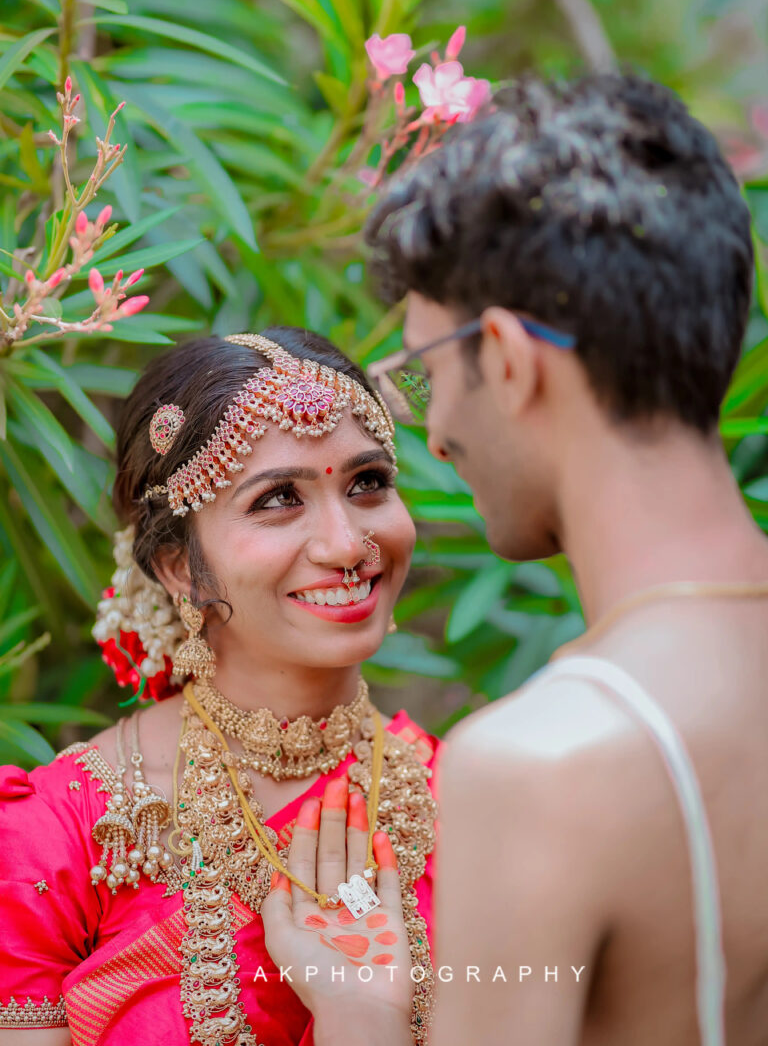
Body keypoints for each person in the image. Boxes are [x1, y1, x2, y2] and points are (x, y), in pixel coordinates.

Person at [260, 74, 768, 1046]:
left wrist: (362, 1018)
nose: (436, 431)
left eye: (427, 372)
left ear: (505, 356)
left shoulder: (544, 767)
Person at [0, 328, 439, 1045]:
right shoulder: (62, 839)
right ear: (177, 565)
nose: (346, 544)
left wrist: (363, 1018)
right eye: (277, 500)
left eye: (367, 484)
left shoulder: (478, 803)